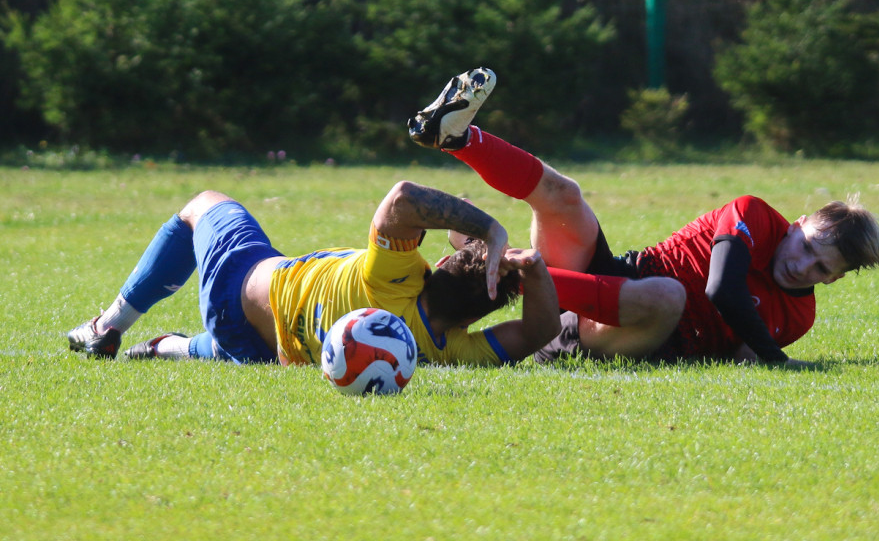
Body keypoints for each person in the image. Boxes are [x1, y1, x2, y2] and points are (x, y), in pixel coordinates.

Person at [408, 68, 879, 367]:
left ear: (834, 280)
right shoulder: (754, 215)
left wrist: (767, 358)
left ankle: (497, 269)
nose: (803, 265)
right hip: (618, 279)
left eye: (821, 268)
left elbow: (743, 358)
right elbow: (723, 287)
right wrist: (780, 359)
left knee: (667, 296)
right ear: (798, 223)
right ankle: (455, 138)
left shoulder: (799, 314)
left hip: (631, 334)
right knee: (564, 194)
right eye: (805, 246)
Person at [67, 179, 561, 367]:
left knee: (204, 205)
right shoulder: (448, 350)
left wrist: (490, 231)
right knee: (221, 347)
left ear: (442, 266)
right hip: (265, 350)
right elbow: (539, 331)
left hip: (241, 286)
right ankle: (166, 347)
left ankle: (107, 326)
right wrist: (533, 269)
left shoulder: (394, 275)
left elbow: (403, 198)